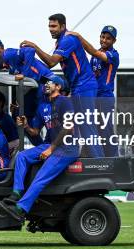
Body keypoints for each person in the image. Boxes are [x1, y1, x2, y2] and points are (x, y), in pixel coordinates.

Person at [21, 13, 103, 158]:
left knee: (86, 126)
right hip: (78, 86)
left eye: (54, 26)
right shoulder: (62, 41)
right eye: (49, 26)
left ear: (63, 26)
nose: (50, 29)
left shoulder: (67, 40)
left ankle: (101, 164)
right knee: (82, 126)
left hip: (84, 85)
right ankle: (96, 160)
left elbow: (51, 62)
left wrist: (35, 47)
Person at [0, 76, 78, 221]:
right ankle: (16, 192)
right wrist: (26, 125)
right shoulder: (43, 106)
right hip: (51, 145)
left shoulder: (65, 102)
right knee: (22, 156)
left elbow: (69, 127)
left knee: (40, 176)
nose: (46, 84)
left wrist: (50, 149)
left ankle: (21, 209)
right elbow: (35, 132)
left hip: (67, 148)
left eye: (50, 82)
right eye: (45, 82)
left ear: (58, 87)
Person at [0, 37, 54, 139]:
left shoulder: (7, 54)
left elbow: (30, 50)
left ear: (0, 48)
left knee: (44, 114)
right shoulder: (3, 62)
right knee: (19, 115)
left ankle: (51, 143)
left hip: (46, 82)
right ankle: (40, 146)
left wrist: (25, 74)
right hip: (38, 86)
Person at [67, 26, 120, 156]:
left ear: (114, 41)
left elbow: (95, 53)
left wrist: (79, 37)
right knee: (92, 129)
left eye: (108, 38)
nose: (104, 40)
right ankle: (94, 158)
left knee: (106, 130)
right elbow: (89, 75)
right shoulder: (95, 55)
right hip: (93, 96)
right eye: (103, 37)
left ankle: (114, 159)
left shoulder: (113, 55)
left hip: (105, 97)